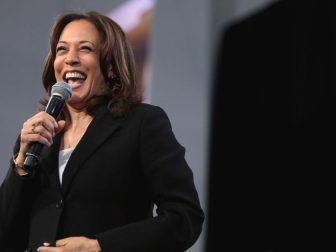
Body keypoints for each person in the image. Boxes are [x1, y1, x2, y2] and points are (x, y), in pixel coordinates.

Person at [0, 11, 204, 252]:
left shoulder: (142, 123)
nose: (70, 59)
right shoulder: (39, 135)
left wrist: (100, 246)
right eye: (62, 49)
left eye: (85, 49)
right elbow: (6, 237)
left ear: (110, 67)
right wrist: (21, 165)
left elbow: (184, 218)